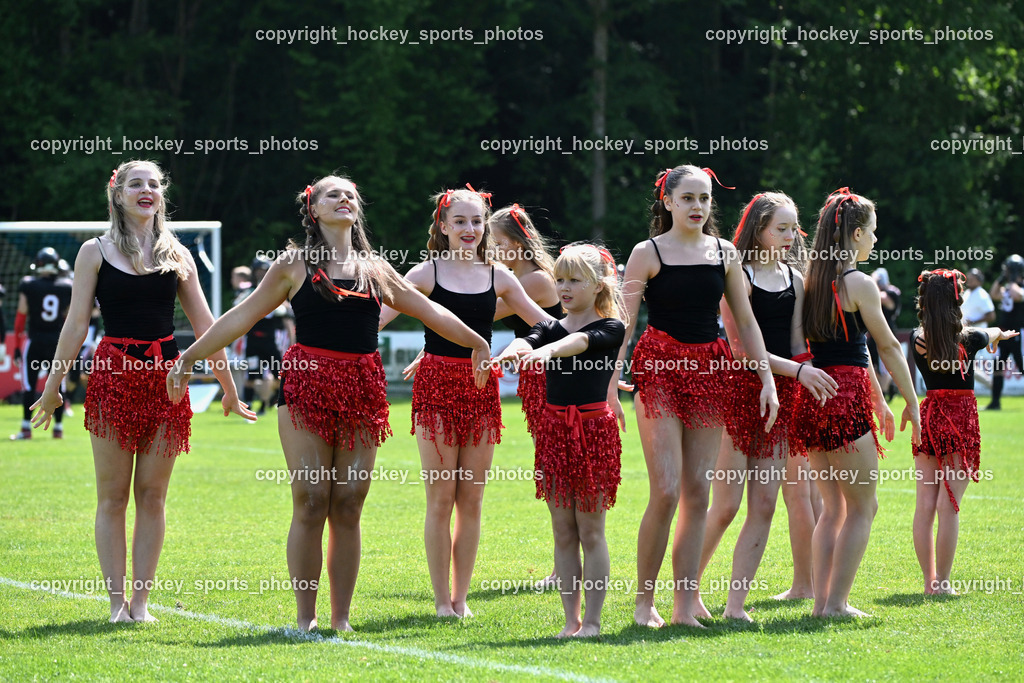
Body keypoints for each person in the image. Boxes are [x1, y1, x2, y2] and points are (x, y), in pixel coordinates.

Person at [167, 175, 491, 631]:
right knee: (311, 498)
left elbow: (431, 311)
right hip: (307, 386)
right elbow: (241, 316)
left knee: (349, 503)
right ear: (314, 209)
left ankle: (341, 620)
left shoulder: (376, 268)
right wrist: (189, 356)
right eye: (332, 194)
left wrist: (477, 341)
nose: (344, 198)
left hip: (362, 388)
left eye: (350, 194)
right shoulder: (294, 264)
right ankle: (306, 619)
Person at [30, 160, 252, 622]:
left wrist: (228, 389)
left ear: (161, 194)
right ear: (118, 195)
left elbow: (206, 326)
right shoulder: (94, 251)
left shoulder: (178, 254)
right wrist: (53, 388)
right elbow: (75, 326)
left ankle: (142, 603)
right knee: (113, 496)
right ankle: (117, 605)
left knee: (152, 495)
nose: (146, 190)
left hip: (168, 382)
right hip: (112, 377)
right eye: (136, 184)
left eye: (153, 184)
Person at [377, 185, 554, 618]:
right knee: (440, 499)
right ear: (443, 226)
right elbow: (375, 318)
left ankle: (461, 599)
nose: (469, 228)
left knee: (471, 500)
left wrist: (594, 326)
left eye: (477, 221)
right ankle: (442, 601)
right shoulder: (425, 274)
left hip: (481, 386)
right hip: (436, 386)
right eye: (459, 221)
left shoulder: (500, 276)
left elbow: (548, 325)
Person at [619, 165, 779, 628]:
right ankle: (644, 603)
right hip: (660, 370)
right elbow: (623, 324)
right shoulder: (647, 252)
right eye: (688, 198)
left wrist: (767, 378)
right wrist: (609, 380)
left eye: (705, 198)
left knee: (697, 492)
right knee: (667, 490)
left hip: (711, 370)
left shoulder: (725, 252)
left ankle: (684, 604)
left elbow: (745, 322)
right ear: (668, 201)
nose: (697, 206)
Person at [696, 193, 838, 620]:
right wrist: (798, 372)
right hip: (738, 393)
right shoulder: (736, 274)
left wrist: (808, 379)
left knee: (764, 506)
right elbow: (740, 349)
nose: (792, 235)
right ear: (759, 228)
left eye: (795, 228)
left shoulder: (794, 278)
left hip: (783, 397)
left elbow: (796, 344)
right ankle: (686, 591)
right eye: (782, 228)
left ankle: (735, 607)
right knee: (725, 506)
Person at [793, 187, 921, 618]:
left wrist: (879, 401)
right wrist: (911, 401)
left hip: (813, 397)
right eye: (872, 232)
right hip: (844, 399)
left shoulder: (809, 281)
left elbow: (850, 349)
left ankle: (821, 605)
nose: (875, 240)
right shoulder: (860, 283)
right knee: (864, 507)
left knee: (832, 509)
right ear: (855, 234)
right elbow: (888, 346)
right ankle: (836, 604)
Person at [494, 243, 626, 637]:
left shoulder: (611, 327)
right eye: (560, 280)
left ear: (598, 284)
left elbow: (579, 343)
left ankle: (593, 622)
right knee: (563, 530)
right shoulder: (550, 327)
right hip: (554, 433)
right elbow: (529, 338)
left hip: (593, 432)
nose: (564, 288)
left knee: (591, 530)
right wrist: (513, 350)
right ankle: (571, 621)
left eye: (574, 280)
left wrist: (548, 351)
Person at [910, 269, 1018, 594]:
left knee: (925, 506)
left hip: (929, 418)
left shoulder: (917, 338)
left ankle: (929, 582)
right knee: (949, 505)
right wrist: (1000, 335)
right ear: (955, 301)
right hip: (958, 420)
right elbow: (992, 330)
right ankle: (942, 583)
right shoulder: (968, 338)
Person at [489, 203, 565, 589]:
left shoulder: (533, 280)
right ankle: (564, 565)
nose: (491, 250)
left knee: (556, 470)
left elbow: (480, 312)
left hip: (554, 380)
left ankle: (564, 568)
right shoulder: (521, 276)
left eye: (497, 243)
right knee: (553, 469)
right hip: (540, 379)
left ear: (518, 244)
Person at [11, 248, 74, 439]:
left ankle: (25, 428)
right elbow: (69, 318)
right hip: (57, 342)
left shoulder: (29, 284)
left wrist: (16, 345)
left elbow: (21, 316)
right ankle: (58, 428)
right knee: (59, 384)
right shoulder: (66, 286)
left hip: (35, 340)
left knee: (29, 385)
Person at [241, 256, 294, 415]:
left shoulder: (276, 292)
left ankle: (269, 401)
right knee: (252, 375)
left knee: (278, 375)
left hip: (270, 342)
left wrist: (292, 342)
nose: (261, 274)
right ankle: (249, 404)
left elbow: (287, 317)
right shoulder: (248, 293)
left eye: (264, 271)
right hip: (252, 341)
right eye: (258, 270)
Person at [985, 254, 1024, 410]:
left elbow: (1017, 296)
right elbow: (993, 294)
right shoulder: (1008, 287)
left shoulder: (1019, 287)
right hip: (1003, 334)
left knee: (1021, 365)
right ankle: (995, 402)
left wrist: (1013, 280)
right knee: (997, 366)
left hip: (1018, 334)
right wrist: (1002, 279)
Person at [867, 268, 902, 401]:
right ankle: (888, 388)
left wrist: (872, 283)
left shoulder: (891, 292)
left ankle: (884, 393)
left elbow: (882, 298)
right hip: (873, 334)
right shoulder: (876, 291)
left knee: (885, 367)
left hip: (885, 334)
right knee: (874, 366)